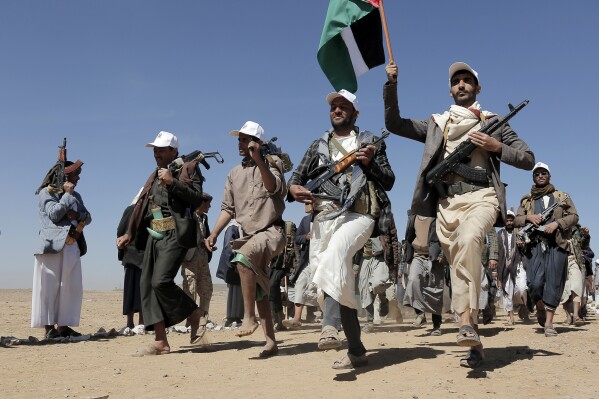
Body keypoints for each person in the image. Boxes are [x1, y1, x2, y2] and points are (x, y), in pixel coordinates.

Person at [384, 61, 535, 368]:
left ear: (477, 88)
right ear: (451, 89)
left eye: (467, 81)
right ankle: (473, 339)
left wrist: (495, 146)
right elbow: (394, 124)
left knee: (468, 242)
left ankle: (464, 318)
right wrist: (392, 85)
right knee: (459, 267)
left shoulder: (494, 121)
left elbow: (528, 158)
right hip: (446, 205)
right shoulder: (438, 124)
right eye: (456, 81)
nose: (461, 85)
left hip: (483, 197)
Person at [288, 89, 395, 369]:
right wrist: (294, 189)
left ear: (355, 112)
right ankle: (357, 350)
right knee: (338, 281)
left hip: (359, 215)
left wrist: (369, 163)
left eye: (343, 106)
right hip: (323, 218)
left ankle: (329, 327)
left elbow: (389, 179)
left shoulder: (370, 142)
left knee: (337, 253)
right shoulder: (318, 145)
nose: (337, 110)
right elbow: (296, 179)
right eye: (333, 107)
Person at [116, 131, 204, 355]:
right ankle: (160, 341)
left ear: (174, 150)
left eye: (161, 149)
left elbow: (196, 199)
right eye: (155, 149)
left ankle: (194, 314)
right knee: (147, 285)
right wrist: (129, 233)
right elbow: (143, 206)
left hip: (176, 234)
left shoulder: (189, 168)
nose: (156, 153)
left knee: (161, 281)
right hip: (155, 235)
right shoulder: (154, 176)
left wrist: (172, 183)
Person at [205, 121, 286, 358]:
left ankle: (248, 317)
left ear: (258, 142)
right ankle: (271, 342)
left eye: (245, 139)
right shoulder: (233, 173)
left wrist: (260, 159)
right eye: (239, 139)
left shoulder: (273, 163)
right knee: (259, 287)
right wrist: (213, 234)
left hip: (272, 232)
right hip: (248, 236)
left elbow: (275, 189)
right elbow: (228, 209)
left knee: (242, 259)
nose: (240, 144)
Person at [514, 162, 579, 337]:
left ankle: (549, 323)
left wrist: (557, 223)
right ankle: (539, 304)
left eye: (544, 173)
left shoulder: (561, 197)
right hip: (535, 245)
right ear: (533, 177)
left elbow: (574, 216)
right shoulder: (527, 200)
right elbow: (516, 220)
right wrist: (528, 217)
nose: (540, 176)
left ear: (549, 176)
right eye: (537, 174)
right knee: (534, 283)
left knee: (554, 282)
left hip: (557, 245)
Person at [32, 158, 91, 339]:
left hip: (72, 244)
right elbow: (54, 215)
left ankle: (64, 327)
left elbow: (88, 217)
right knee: (48, 288)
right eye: (75, 174)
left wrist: (77, 214)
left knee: (69, 287)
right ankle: (49, 329)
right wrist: (66, 195)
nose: (78, 178)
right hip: (51, 247)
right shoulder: (45, 193)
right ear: (64, 177)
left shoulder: (77, 196)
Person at [402, 213, 446, 335]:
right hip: (418, 256)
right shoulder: (412, 216)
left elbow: (447, 234)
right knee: (413, 280)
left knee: (435, 290)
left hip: (435, 257)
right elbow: (409, 237)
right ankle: (420, 314)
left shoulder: (437, 214)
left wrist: (443, 253)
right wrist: (407, 256)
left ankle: (436, 325)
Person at [180, 192, 213, 339]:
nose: (210, 206)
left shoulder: (204, 218)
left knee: (206, 290)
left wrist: (207, 243)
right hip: (190, 260)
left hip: (203, 259)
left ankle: (202, 322)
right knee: (190, 292)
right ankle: (194, 326)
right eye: (208, 203)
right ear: (201, 202)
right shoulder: (188, 216)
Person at [283, 214, 321, 329]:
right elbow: (297, 238)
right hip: (307, 261)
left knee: (324, 289)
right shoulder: (305, 220)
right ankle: (297, 319)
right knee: (300, 284)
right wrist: (306, 237)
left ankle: (331, 319)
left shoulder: (330, 217)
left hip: (324, 261)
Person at [117, 192, 145, 331]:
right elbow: (121, 230)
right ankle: (131, 323)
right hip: (132, 254)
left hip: (144, 256)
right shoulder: (130, 210)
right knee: (132, 289)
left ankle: (139, 323)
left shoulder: (151, 210)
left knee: (142, 289)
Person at [497, 210, 528, 325]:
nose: (509, 222)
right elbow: (496, 251)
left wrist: (522, 245)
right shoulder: (499, 234)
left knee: (522, 288)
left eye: (511, 220)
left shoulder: (520, 233)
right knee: (507, 291)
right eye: (507, 220)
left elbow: (527, 250)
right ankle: (511, 317)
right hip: (504, 266)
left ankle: (523, 305)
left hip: (518, 264)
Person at [357, 237, 391, 333]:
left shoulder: (383, 222)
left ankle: (383, 300)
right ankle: (369, 322)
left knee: (378, 284)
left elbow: (393, 242)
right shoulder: (360, 224)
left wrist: (394, 265)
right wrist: (355, 264)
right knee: (366, 291)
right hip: (364, 259)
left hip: (381, 258)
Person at [559, 223, 589, 326]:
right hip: (561, 262)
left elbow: (584, 245)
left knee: (576, 286)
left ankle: (576, 316)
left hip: (575, 261)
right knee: (564, 291)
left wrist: (586, 236)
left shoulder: (576, 230)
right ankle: (568, 317)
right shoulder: (556, 229)